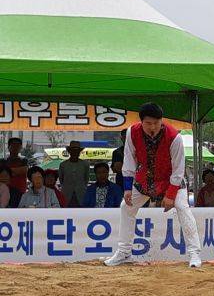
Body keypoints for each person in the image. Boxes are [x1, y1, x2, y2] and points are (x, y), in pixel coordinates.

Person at [104, 103, 202, 267]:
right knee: (126, 207)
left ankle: (194, 253)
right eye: (148, 123)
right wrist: (127, 188)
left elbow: (178, 169)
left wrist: (170, 195)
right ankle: (124, 252)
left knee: (182, 207)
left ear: (161, 121)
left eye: (156, 123)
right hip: (145, 180)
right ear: (141, 122)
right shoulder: (132, 132)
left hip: (171, 181)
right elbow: (129, 160)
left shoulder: (174, 136)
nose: (153, 127)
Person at [59, 141, 89, 207]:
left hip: (81, 195)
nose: (75, 152)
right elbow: (61, 180)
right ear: (69, 151)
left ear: (79, 152)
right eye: (73, 151)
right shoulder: (63, 165)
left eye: (77, 151)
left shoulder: (85, 164)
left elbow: (86, 179)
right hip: (66, 195)